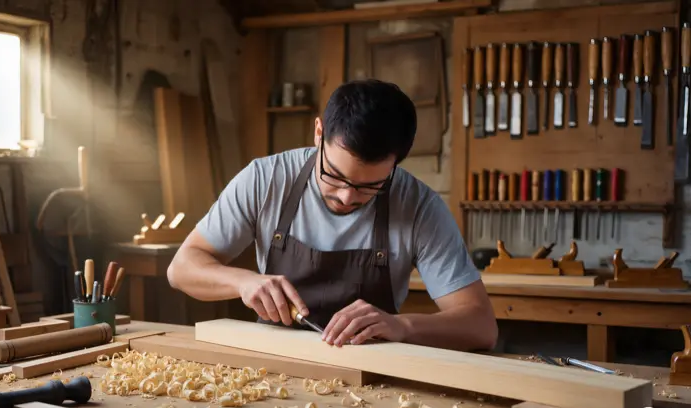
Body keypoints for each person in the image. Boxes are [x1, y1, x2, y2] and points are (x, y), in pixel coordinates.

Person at [167, 79, 498, 352]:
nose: (346, 196)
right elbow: (181, 269)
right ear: (318, 133)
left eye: (371, 186)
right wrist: (242, 281)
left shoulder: (419, 206)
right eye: (335, 176)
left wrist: (402, 326)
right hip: (272, 361)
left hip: (370, 372)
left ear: (396, 163)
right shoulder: (266, 180)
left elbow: (481, 326)